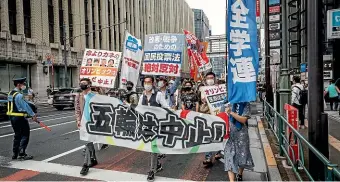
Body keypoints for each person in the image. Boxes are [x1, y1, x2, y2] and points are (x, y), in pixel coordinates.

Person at [138, 76, 169, 182]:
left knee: (153, 147)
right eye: (145, 82)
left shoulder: (158, 95)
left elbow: (166, 107)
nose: (147, 84)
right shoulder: (142, 96)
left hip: (156, 125)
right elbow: (138, 109)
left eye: (149, 82)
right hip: (146, 125)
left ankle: (152, 170)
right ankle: (157, 164)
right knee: (149, 147)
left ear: (153, 83)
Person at [7, 77, 38, 160]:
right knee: (25, 134)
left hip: (12, 117)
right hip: (20, 117)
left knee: (17, 135)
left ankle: (15, 153)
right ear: (18, 84)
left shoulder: (10, 93)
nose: (24, 85)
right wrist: (33, 115)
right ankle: (22, 153)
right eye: (23, 84)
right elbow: (25, 106)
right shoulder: (19, 95)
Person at [225, 102, 254, 181]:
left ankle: (240, 174)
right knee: (229, 156)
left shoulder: (245, 104)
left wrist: (231, 112)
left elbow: (243, 120)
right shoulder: (226, 102)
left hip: (242, 134)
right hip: (229, 134)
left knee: (242, 155)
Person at [75, 78, 98, 175]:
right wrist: (78, 120)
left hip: (92, 122)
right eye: (81, 83)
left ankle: (85, 165)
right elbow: (77, 109)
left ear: (89, 85)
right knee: (88, 142)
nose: (82, 85)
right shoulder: (79, 96)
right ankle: (93, 159)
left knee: (88, 141)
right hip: (83, 122)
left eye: (84, 83)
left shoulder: (94, 95)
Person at [201, 72, 223, 166]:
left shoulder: (220, 88)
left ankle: (218, 152)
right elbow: (202, 102)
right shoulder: (203, 90)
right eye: (208, 78)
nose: (210, 79)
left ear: (215, 78)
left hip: (219, 115)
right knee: (208, 136)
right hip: (208, 115)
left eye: (211, 78)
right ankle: (208, 157)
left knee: (218, 135)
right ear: (205, 80)